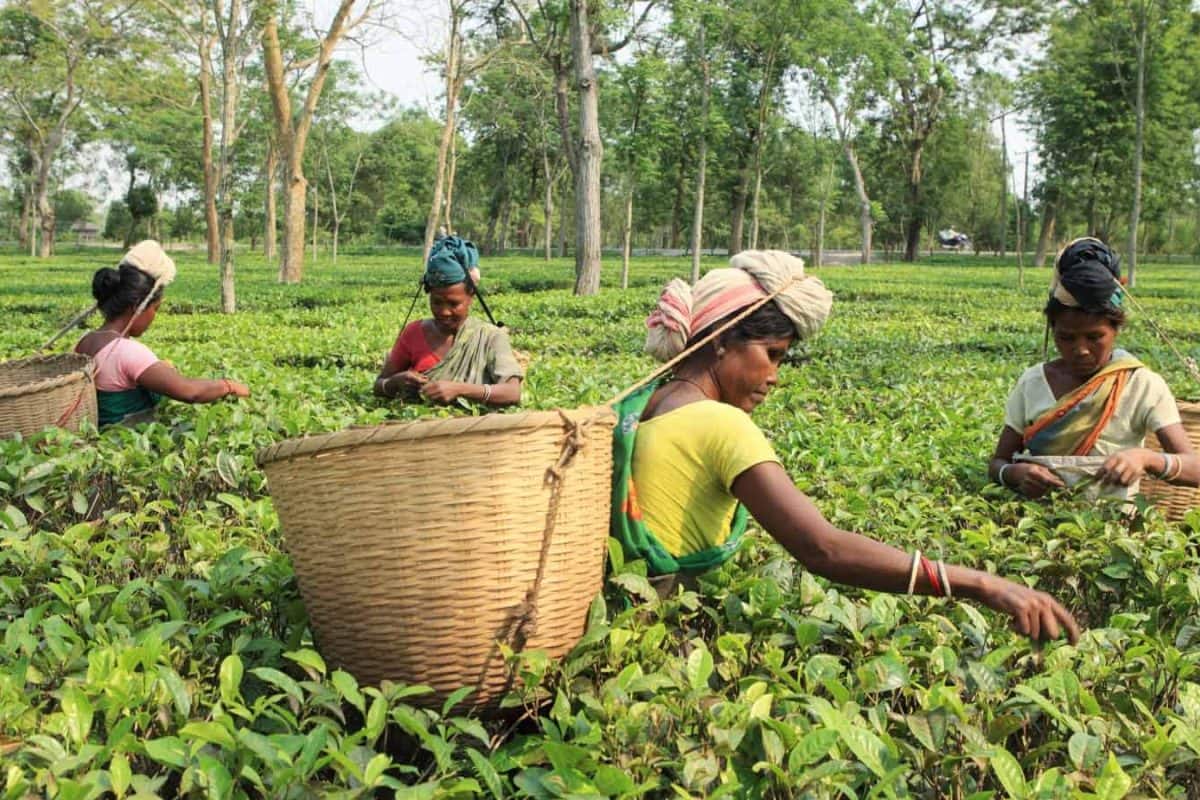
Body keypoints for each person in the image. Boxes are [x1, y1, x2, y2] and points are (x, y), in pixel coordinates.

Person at [613, 250, 1080, 643]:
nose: (774, 377)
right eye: (771, 355)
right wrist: (980, 584)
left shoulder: (644, 404)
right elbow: (824, 549)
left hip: (614, 620)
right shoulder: (721, 424)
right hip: (656, 631)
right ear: (721, 341)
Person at [988, 237, 1197, 499]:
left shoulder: (1142, 384)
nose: (1081, 350)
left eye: (1095, 337)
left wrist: (1145, 458)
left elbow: (1195, 469)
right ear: (1053, 331)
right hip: (1034, 518)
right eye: (1067, 338)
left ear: (1115, 330)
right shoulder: (1033, 382)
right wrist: (1013, 474)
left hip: (1114, 522)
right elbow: (998, 462)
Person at [74, 241, 251, 427]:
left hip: (102, 436)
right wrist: (228, 386)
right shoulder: (126, 351)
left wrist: (162, 369)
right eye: (155, 309)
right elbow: (190, 392)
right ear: (137, 307)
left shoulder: (85, 341)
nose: (154, 316)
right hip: (129, 438)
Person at [374, 236, 523, 406]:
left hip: (475, 422)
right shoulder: (413, 333)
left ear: (471, 297)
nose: (444, 312)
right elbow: (379, 385)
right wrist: (394, 383)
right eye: (436, 302)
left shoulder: (490, 336)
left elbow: (512, 392)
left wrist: (460, 389)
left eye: (454, 304)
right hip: (418, 421)